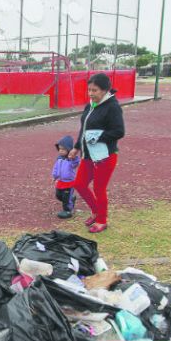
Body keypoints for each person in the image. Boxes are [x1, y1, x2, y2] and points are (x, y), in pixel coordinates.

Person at [68, 73, 125, 233]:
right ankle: (95, 211)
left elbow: (119, 131)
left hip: (104, 156)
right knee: (79, 184)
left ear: (105, 90)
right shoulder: (90, 105)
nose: (91, 93)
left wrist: (98, 136)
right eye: (89, 90)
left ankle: (101, 220)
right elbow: (84, 129)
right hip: (88, 155)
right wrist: (76, 147)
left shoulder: (112, 106)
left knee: (99, 189)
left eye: (95, 90)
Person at [51, 135, 80, 219]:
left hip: (69, 183)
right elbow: (56, 168)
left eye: (63, 149)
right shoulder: (59, 159)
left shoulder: (71, 160)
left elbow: (76, 163)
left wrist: (73, 157)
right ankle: (71, 199)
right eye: (59, 149)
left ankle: (68, 210)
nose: (60, 151)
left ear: (69, 150)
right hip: (61, 181)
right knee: (58, 195)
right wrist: (55, 176)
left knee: (66, 198)